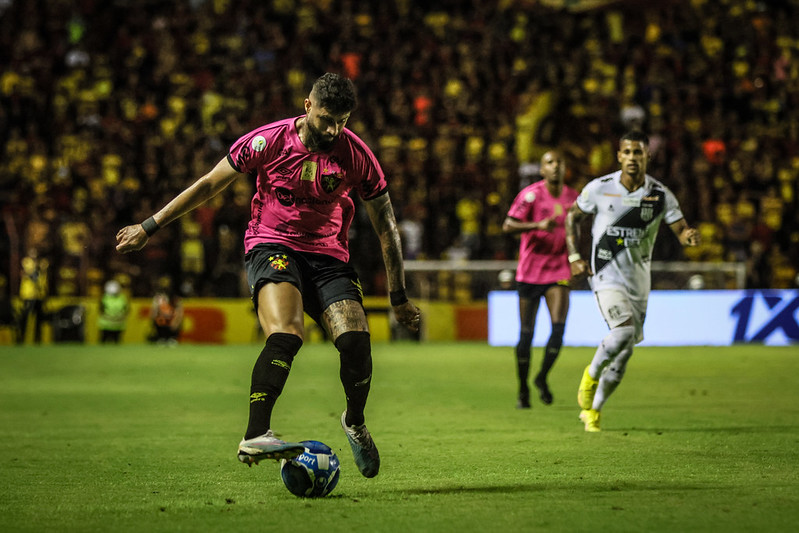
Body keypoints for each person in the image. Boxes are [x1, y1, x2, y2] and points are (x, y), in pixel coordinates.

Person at [115, 73, 421, 478]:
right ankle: (256, 433)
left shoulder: (356, 155)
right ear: (307, 106)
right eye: (326, 118)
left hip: (328, 255)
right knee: (287, 333)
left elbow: (387, 226)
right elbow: (209, 184)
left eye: (341, 121)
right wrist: (149, 226)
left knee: (355, 341)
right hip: (271, 243)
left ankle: (355, 422)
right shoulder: (267, 141)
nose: (332, 129)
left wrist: (398, 296)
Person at [565, 130, 699, 432]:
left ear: (647, 156)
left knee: (624, 353)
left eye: (638, 152)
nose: (632, 158)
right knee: (622, 334)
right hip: (604, 274)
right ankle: (591, 373)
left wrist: (687, 236)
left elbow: (680, 227)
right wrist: (574, 256)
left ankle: (594, 411)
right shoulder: (599, 189)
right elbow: (572, 217)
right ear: (619, 156)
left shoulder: (659, 195)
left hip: (638, 280)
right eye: (626, 152)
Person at [502, 150, 579, 408]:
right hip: (531, 271)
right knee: (526, 334)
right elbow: (508, 225)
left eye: (559, 161)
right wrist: (536, 226)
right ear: (542, 170)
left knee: (558, 329)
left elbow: (581, 228)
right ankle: (523, 389)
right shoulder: (531, 195)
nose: (555, 166)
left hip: (559, 270)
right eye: (550, 162)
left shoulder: (574, 197)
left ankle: (542, 378)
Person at [18, 248, 49, 344]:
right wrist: (37, 267)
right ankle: (21, 339)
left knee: (39, 319)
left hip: (39, 296)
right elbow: (31, 274)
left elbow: (43, 279)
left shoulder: (43, 263)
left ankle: (37, 340)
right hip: (28, 295)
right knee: (25, 317)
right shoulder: (26, 262)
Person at [98, 279, 130, 344]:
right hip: (106, 326)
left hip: (118, 325)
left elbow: (127, 310)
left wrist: (122, 317)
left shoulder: (122, 298)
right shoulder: (104, 298)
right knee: (103, 343)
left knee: (117, 343)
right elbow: (101, 310)